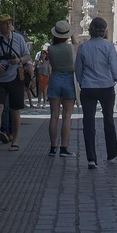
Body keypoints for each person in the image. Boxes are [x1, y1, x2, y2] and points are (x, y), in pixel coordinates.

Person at [75, 17, 117, 168]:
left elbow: (78, 69)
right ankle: (111, 153)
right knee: (108, 120)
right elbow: (114, 67)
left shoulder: (83, 47)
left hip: (88, 87)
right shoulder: (108, 46)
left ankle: (91, 158)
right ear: (104, 31)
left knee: (88, 121)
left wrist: (82, 83)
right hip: (106, 87)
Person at [0, 14, 30, 150]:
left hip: (15, 77)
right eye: (5, 23)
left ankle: (15, 141)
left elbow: (27, 56)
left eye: (9, 23)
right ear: (0, 26)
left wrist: (18, 61)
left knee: (15, 110)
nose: (8, 26)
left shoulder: (18, 38)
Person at [45, 21, 77, 156]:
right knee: (67, 116)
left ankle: (53, 148)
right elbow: (77, 43)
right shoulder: (72, 48)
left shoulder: (50, 49)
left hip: (55, 78)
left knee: (54, 116)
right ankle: (64, 147)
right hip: (69, 79)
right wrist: (72, 30)